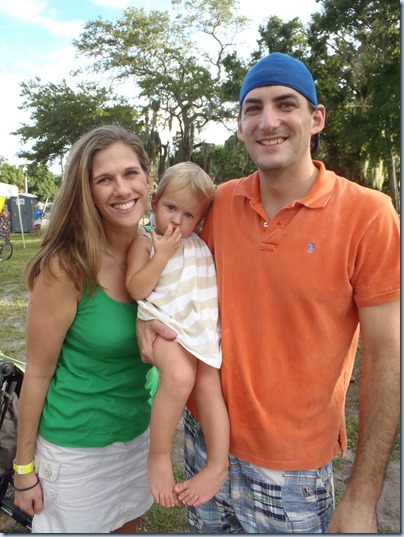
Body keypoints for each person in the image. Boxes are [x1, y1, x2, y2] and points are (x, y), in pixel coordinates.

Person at [137, 52, 400, 533]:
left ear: (316, 118)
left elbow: (386, 356)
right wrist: (145, 320)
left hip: (293, 469)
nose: (268, 121)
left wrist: (363, 496)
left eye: (286, 104)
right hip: (204, 441)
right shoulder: (216, 204)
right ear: (240, 125)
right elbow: (167, 270)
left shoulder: (369, 215)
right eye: (253, 108)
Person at [13, 125, 159, 533]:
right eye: (104, 179)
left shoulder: (157, 251)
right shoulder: (66, 267)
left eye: (130, 173)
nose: (122, 189)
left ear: (148, 179)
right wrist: (24, 469)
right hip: (76, 450)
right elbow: (37, 374)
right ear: (87, 191)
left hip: (138, 436)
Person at [126, 162, 229, 509]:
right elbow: (137, 288)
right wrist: (162, 255)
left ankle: (217, 463)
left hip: (199, 328)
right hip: (163, 321)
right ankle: (158, 455)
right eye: (171, 208)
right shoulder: (146, 242)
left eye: (188, 215)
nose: (176, 221)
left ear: (199, 220)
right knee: (180, 376)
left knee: (208, 385)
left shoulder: (196, 243)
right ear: (155, 201)